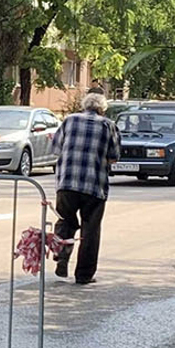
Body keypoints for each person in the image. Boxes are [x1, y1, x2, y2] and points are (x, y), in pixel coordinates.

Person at [50, 91, 120, 284]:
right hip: (94, 186)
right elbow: (114, 157)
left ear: (84, 106)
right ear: (102, 110)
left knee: (65, 221)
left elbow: (56, 149)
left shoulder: (69, 120)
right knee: (90, 230)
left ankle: (62, 255)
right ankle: (84, 275)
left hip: (66, 183)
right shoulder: (108, 125)